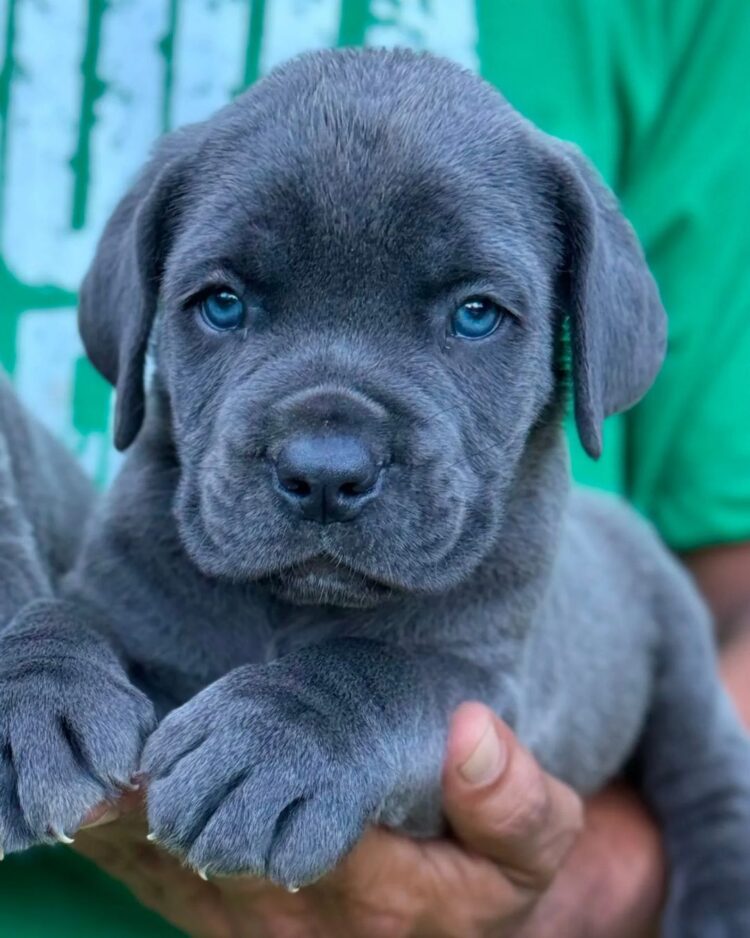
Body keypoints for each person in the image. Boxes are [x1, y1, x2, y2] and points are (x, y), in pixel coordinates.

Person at [1, 1, 749, 935]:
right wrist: (46, 662)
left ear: (579, 332)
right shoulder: (158, 515)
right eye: (224, 303)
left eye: (476, 312)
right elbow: (110, 632)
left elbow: (478, 694)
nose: (324, 452)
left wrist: (611, 889)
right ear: (144, 314)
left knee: (709, 770)